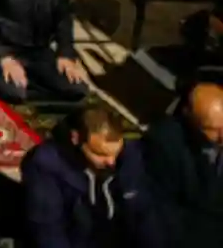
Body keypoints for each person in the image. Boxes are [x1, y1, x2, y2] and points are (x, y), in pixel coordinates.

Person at [19, 103, 163, 248]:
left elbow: (144, 213)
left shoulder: (129, 156)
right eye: (100, 154)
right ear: (75, 138)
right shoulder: (46, 164)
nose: (111, 162)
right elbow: (48, 230)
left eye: (115, 153)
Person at [140, 82, 223, 242]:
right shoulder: (164, 143)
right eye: (212, 129)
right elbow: (164, 210)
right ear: (189, 116)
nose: (222, 136)